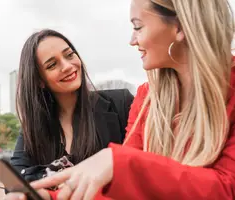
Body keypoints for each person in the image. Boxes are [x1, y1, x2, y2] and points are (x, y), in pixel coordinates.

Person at [25, 0, 235, 199]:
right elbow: (122, 194)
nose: (132, 40)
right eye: (52, 65)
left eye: (138, 27)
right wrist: (52, 197)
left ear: (179, 27)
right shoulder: (147, 99)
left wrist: (119, 163)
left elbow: (227, 190)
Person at [5, 29, 134, 199]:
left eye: (69, 55)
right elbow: (13, 182)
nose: (67, 66)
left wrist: (50, 176)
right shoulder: (35, 126)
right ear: (39, 80)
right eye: (52, 65)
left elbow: (138, 165)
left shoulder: (121, 103)